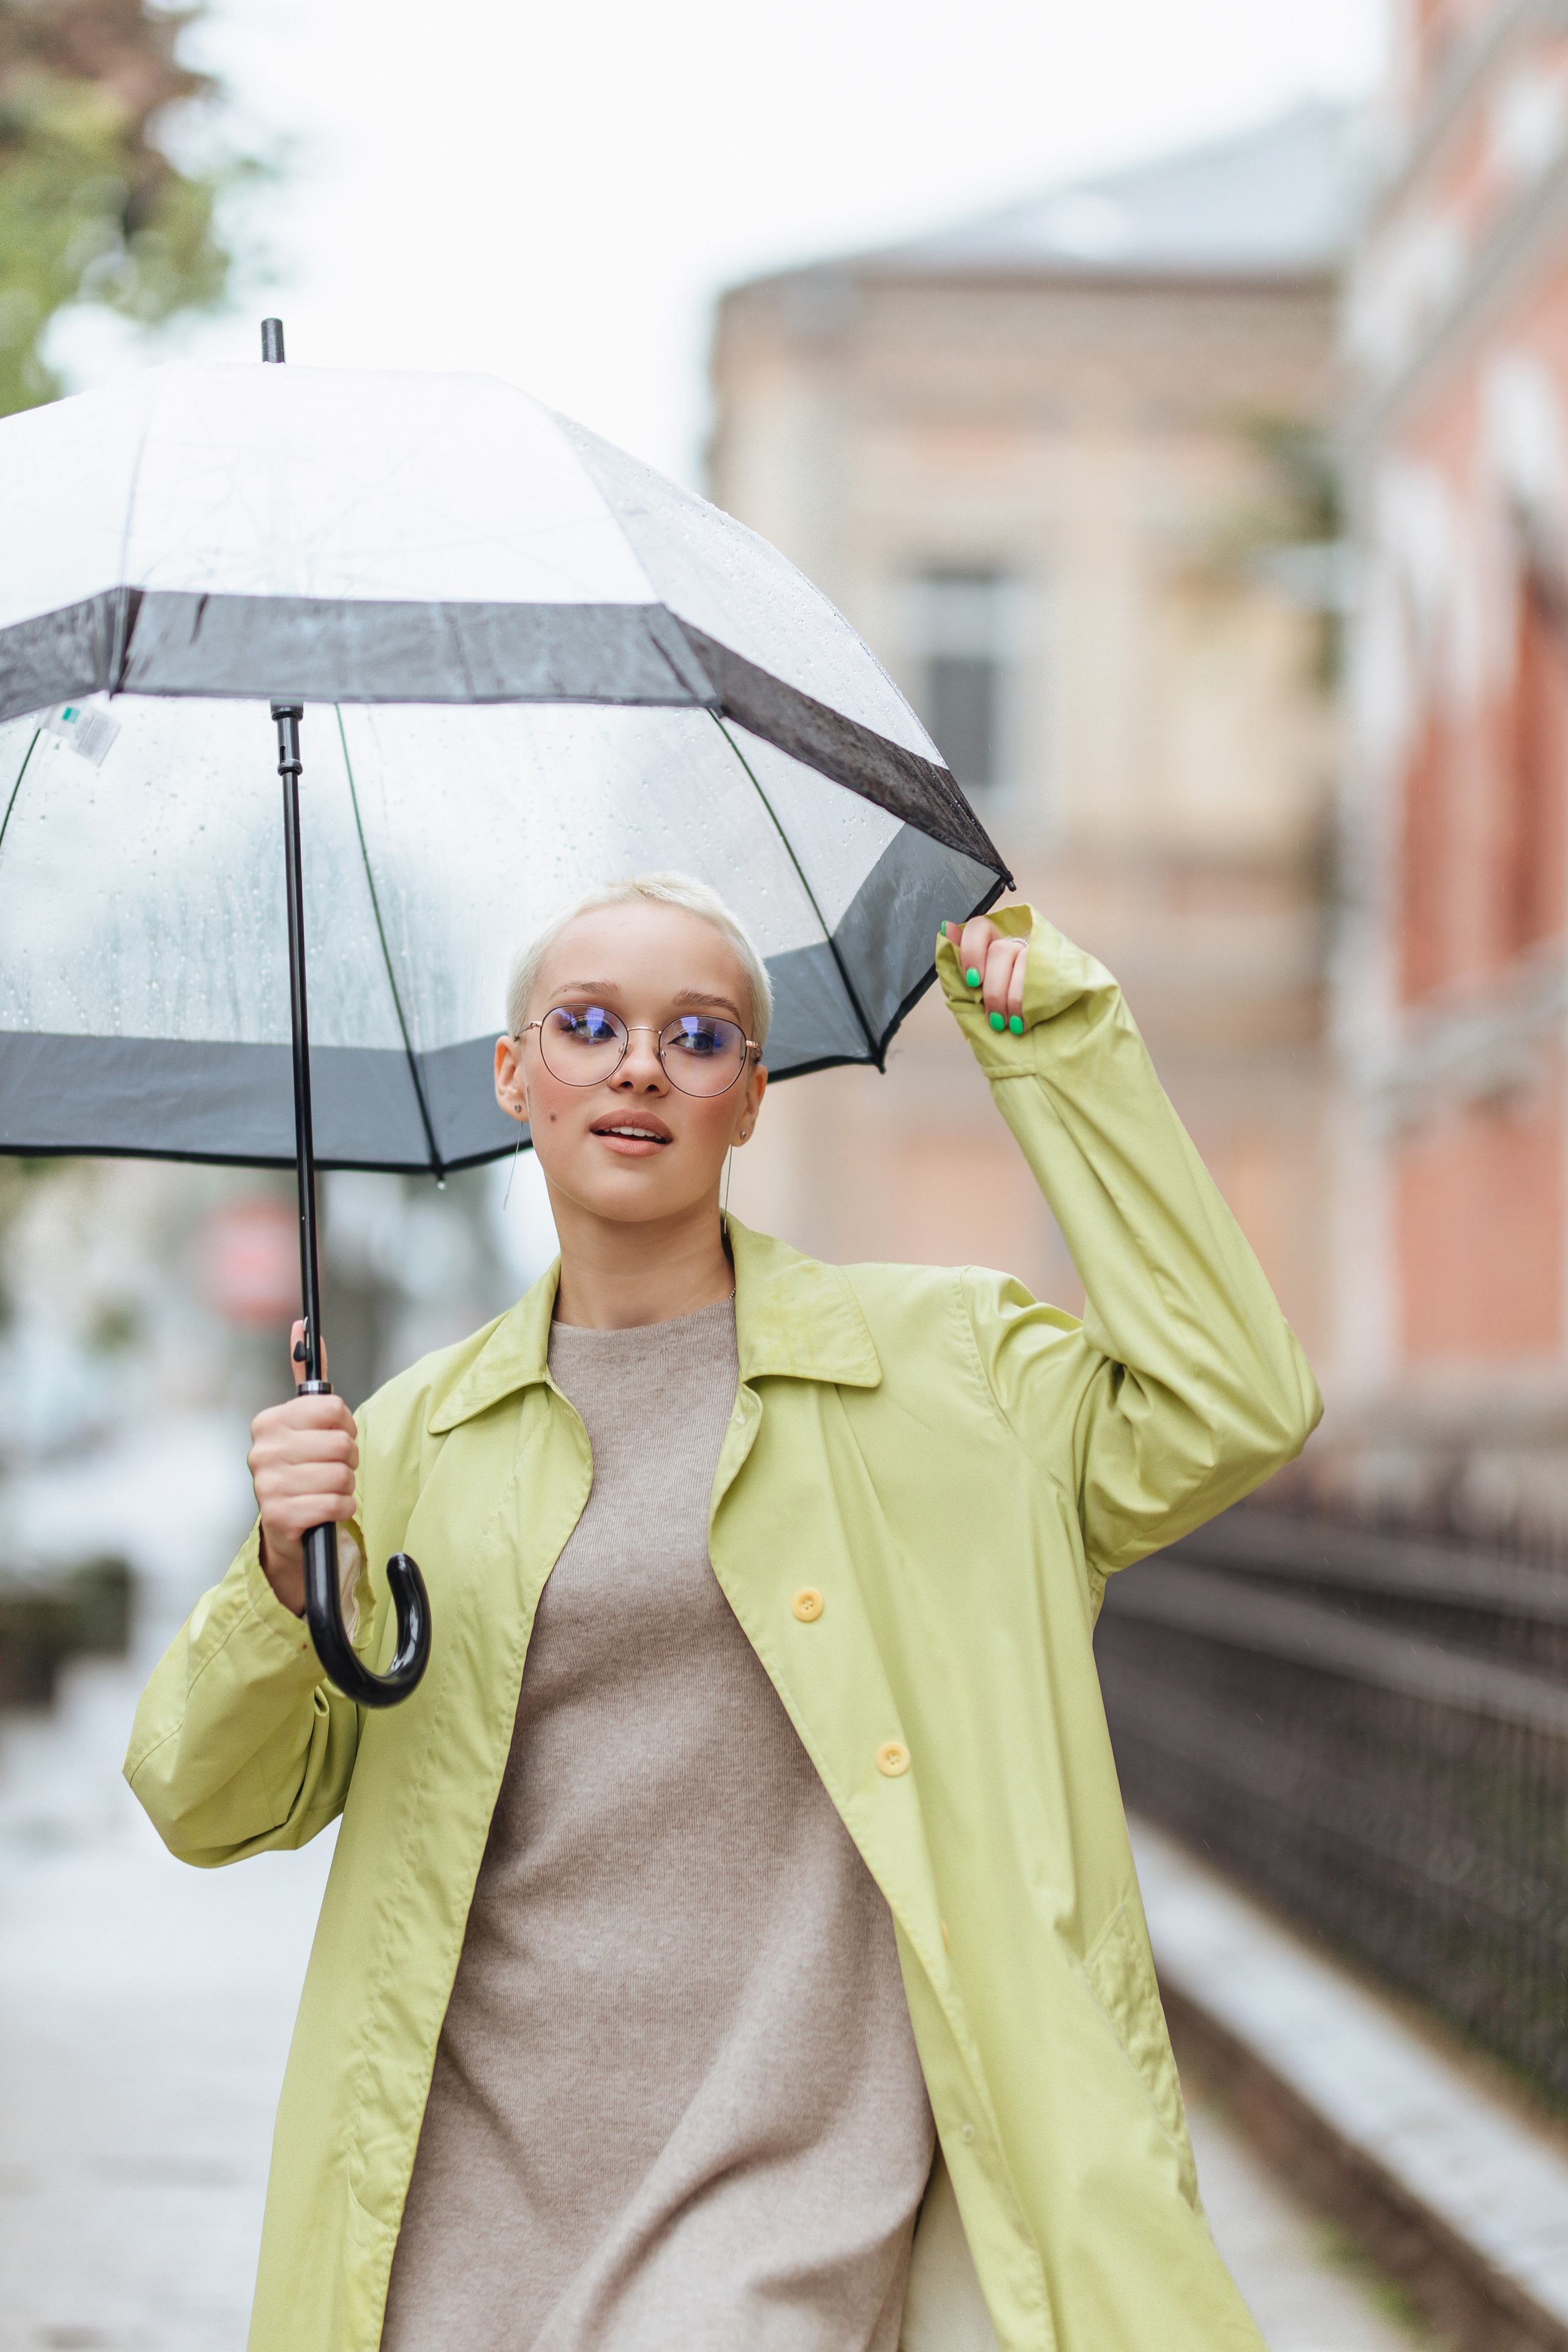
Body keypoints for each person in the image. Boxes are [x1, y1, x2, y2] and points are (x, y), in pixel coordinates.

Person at [126, 873, 1321, 2352]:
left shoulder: (944, 1370)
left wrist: (1060, 1050)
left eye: (698, 1036)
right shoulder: (408, 1442)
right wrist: (278, 1578)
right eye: (587, 1024)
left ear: (751, 1097)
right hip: (465, 2202)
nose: (640, 1065)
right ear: (514, 1076)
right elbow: (202, 1800)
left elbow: (1233, 1405)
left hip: (782, 2204)